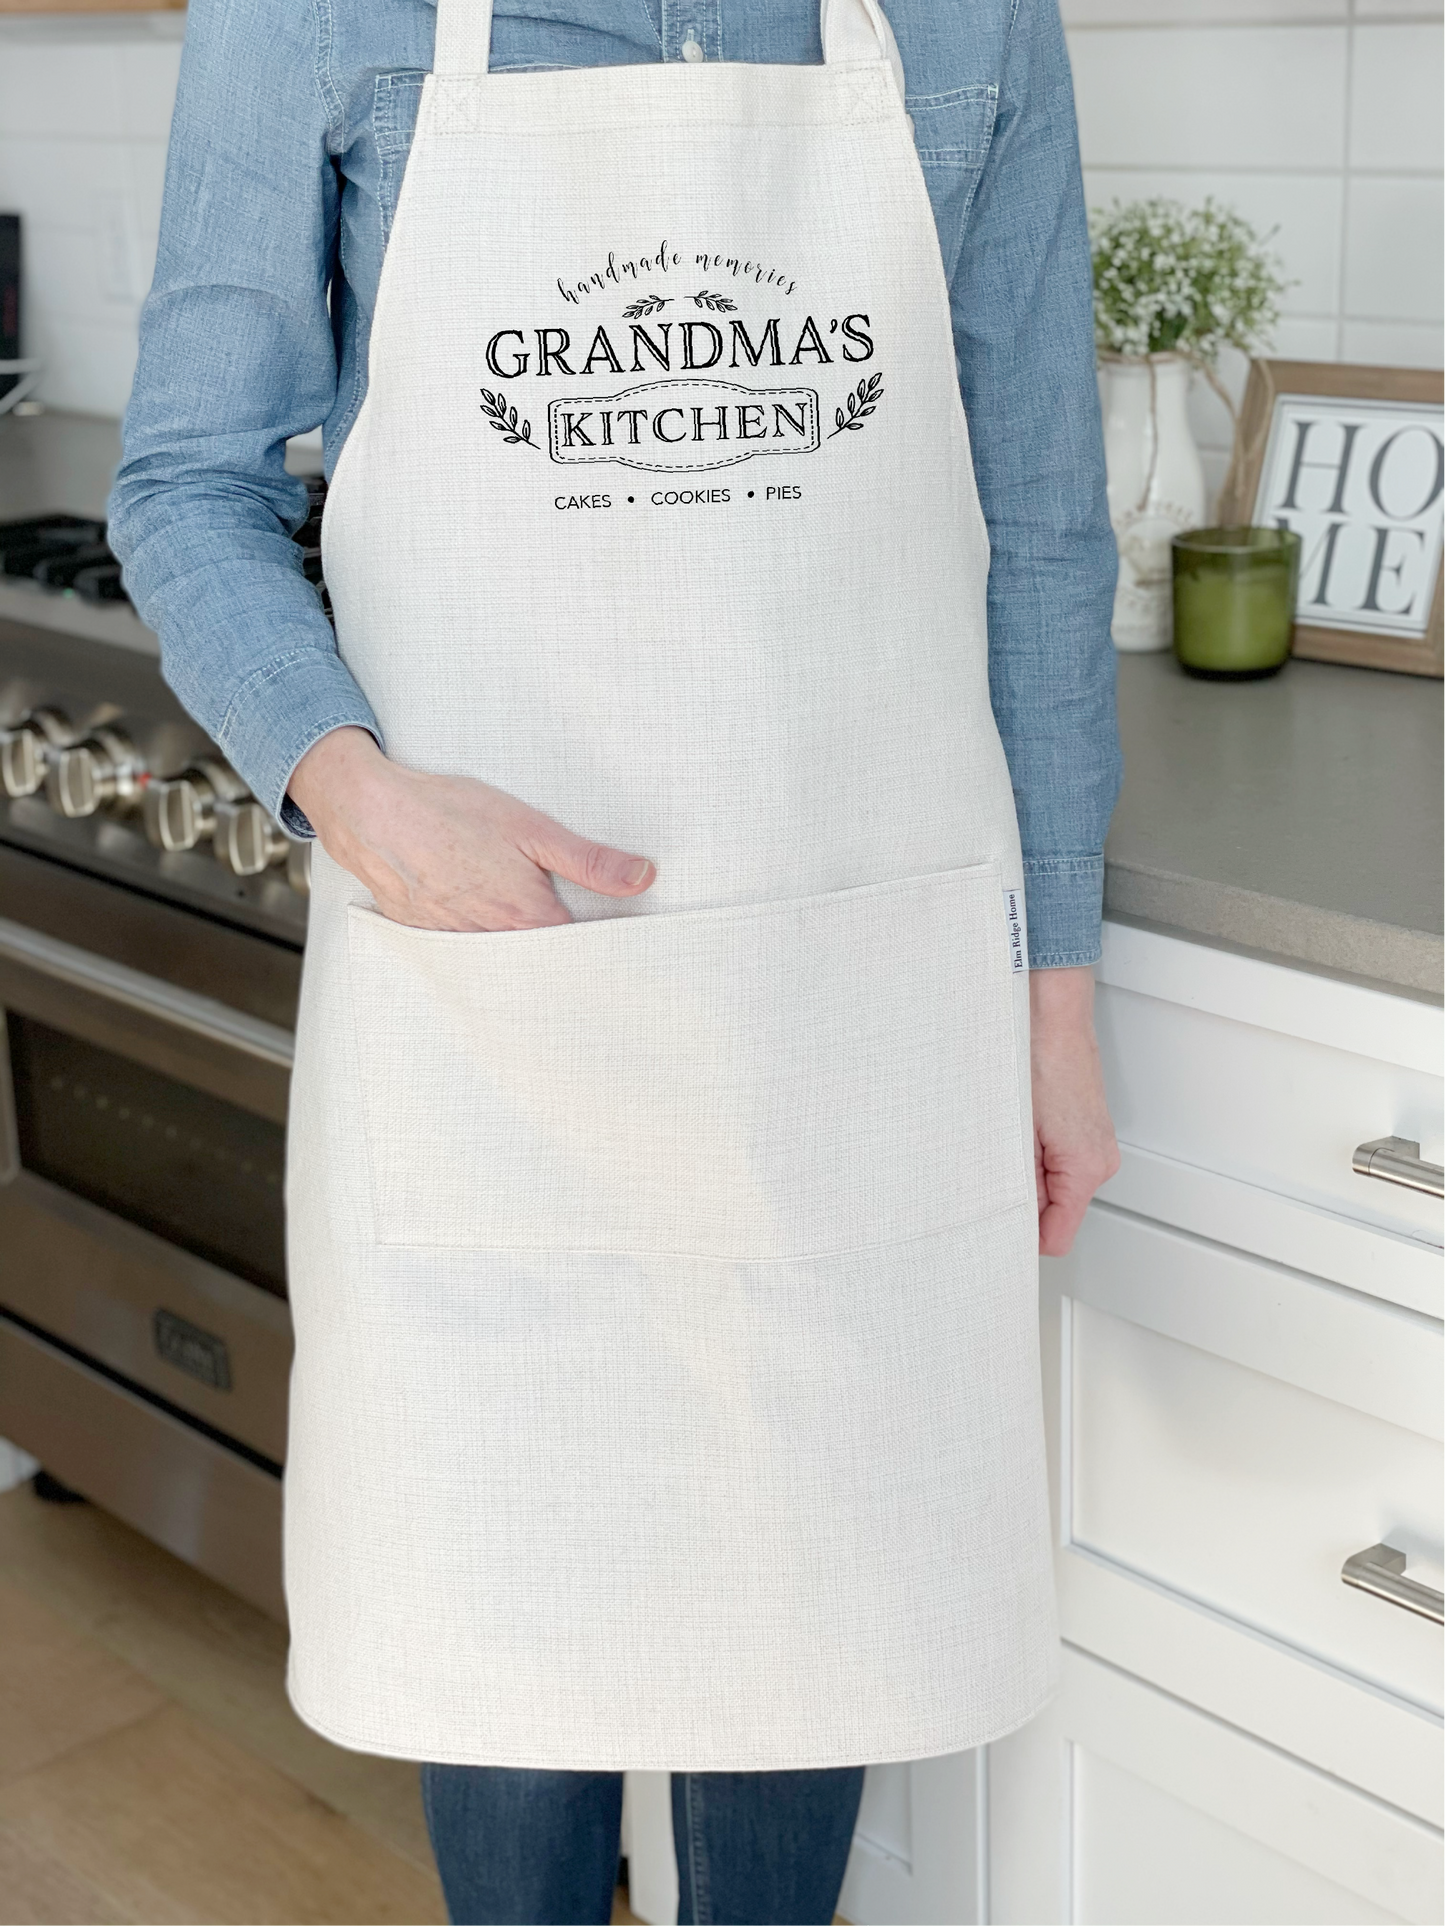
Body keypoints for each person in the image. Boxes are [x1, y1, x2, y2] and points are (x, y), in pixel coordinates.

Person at [108, 2, 1122, 1921]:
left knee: (809, 1636)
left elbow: (1046, 533)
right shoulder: (313, 14)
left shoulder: (973, 21)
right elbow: (185, 484)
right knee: (508, 1641)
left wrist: (1052, 1000)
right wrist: (359, 791)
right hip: (494, 1016)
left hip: (842, 1027)